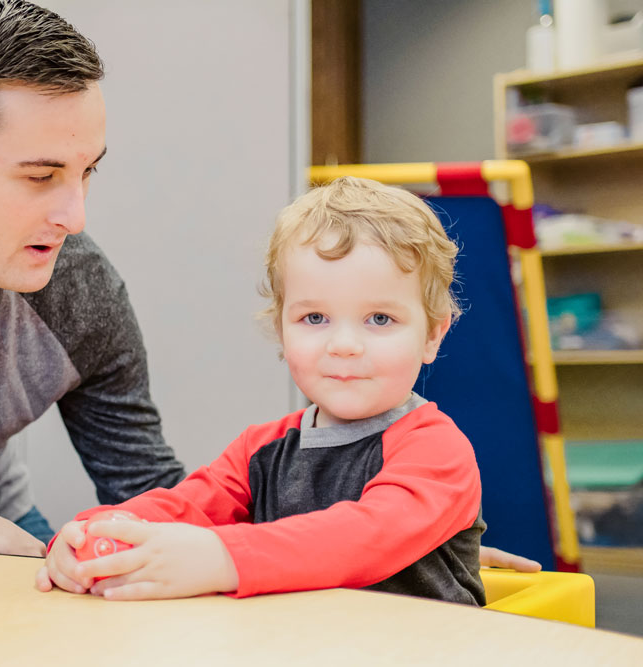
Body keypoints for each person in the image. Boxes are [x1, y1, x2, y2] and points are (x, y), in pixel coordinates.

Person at [0, 0, 536, 593]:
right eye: (40, 175)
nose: (74, 214)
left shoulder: (76, 285)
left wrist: (386, 540)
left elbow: (158, 491)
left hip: (3, 543)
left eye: (87, 172)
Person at [37, 176, 493, 603]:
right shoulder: (261, 448)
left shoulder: (436, 450)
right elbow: (180, 507)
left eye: (380, 319)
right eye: (314, 318)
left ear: (433, 335)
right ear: (281, 328)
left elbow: (362, 538)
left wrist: (220, 557)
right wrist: (86, 534)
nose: (345, 346)